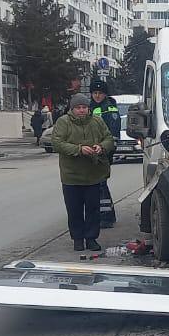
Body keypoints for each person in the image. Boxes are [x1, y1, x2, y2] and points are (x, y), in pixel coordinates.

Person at [51, 93, 115, 252]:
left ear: (88, 108)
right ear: (72, 109)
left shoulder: (97, 121)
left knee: (93, 209)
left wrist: (101, 147)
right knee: (74, 209)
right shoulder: (63, 122)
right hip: (71, 175)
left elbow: (108, 138)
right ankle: (77, 239)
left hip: (93, 174)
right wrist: (78, 149)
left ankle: (91, 238)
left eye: (84, 107)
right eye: (78, 108)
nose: (81, 110)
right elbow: (57, 143)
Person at [89, 80, 122, 228]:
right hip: (90, 151)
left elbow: (113, 132)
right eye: (94, 93)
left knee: (101, 183)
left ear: (105, 94)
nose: (97, 96)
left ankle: (106, 217)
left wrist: (107, 151)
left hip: (103, 152)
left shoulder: (109, 108)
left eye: (100, 93)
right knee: (96, 184)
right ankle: (106, 214)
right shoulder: (88, 107)